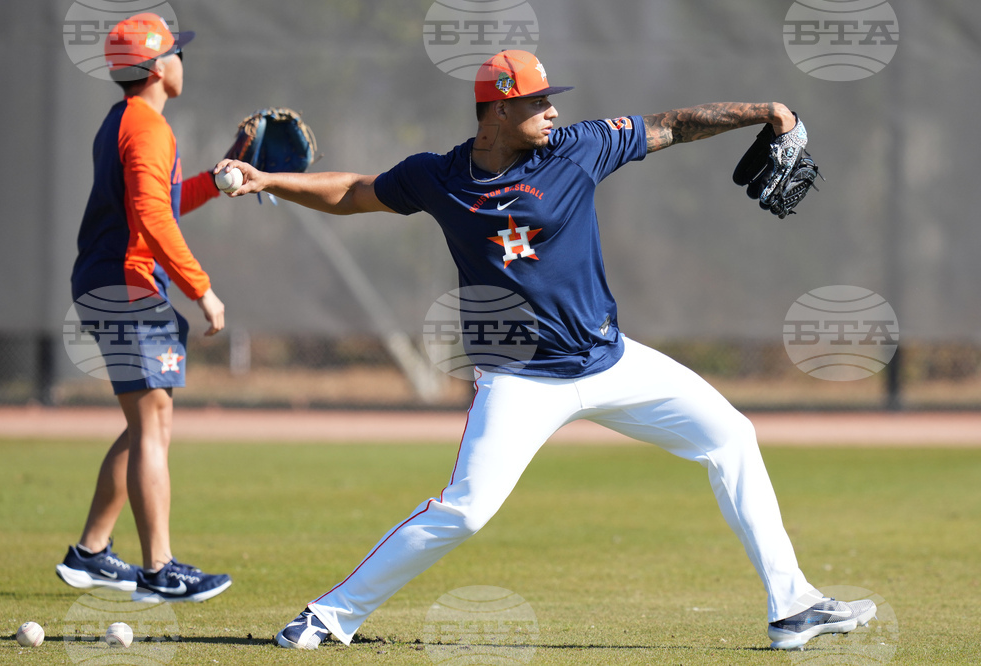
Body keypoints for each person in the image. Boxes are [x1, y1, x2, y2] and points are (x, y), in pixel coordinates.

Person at [217, 50, 874, 649]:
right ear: (498, 110)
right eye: (537, 101)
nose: (552, 110)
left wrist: (768, 111)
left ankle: (792, 605)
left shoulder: (579, 148)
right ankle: (329, 616)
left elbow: (671, 125)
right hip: (519, 380)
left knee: (731, 436)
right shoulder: (439, 177)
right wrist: (267, 179)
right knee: (466, 511)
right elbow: (355, 192)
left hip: (610, 361)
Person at [56, 12, 231, 603]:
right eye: (176, 52)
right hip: (128, 287)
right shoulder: (148, 128)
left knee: (145, 425)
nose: (182, 61)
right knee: (152, 425)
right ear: (157, 67)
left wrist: (220, 176)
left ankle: (91, 553)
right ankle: (160, 571)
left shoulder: (123, 121)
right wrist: (201, 288)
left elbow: (163, 199)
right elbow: (154, 217)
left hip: (110, 281)